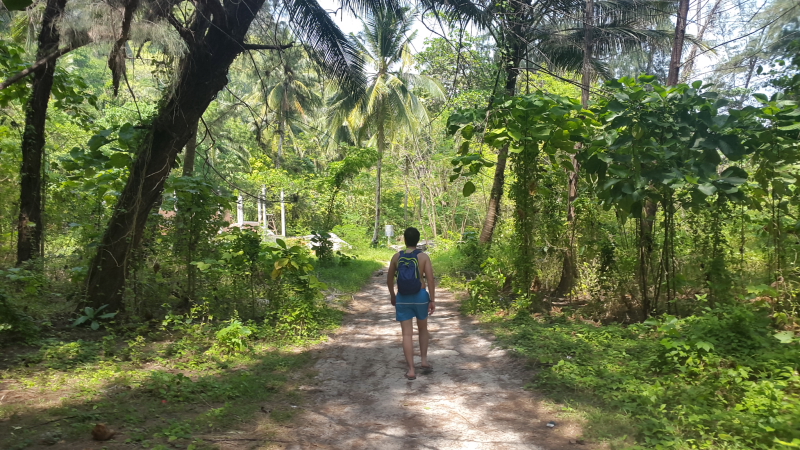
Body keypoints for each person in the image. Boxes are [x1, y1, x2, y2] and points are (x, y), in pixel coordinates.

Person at [387, 227, 435, 380]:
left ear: (405, 239)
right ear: (418, 240)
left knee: (407, 334)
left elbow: (389, 279)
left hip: (403, 297)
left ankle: (411, 370)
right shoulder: (423, 257)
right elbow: (430, 279)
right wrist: (432, 299)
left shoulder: (396, 257)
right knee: (423, 329)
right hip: (420, 297)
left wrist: (393, 296)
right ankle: (424, 361)